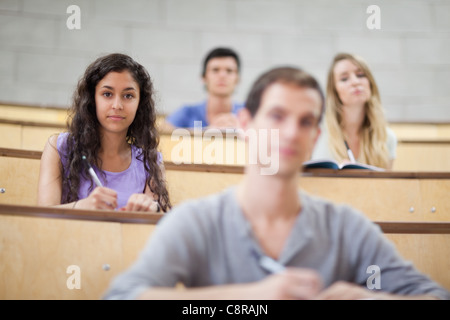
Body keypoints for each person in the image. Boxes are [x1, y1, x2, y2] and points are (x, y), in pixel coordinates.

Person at [103, 66, 449, 300]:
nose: (289, 132)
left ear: (315, 136)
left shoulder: (347, 228)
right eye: (277, 116)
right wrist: (250, 297)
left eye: (305, 121)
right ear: (245, 124)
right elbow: (121, 295)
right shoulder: (198, 221)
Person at [37, 53, 171, 213]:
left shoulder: (150, 160)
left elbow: (161, 219)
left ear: (139, 104)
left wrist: (152, 209)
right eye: (107, 94)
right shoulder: (59, 147)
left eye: (128, 96)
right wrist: (82, 206)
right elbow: (43, 215)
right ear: (93, 100)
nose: (117, 105)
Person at [311, 53, 397, 170]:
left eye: (360, 75)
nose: (355, 82)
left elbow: (386, 186)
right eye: (344, 78)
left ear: (370, 84)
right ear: (335, 91)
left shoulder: (387, 138)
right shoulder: (317, 133)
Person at [162, 47, 243, 130]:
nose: (222, 75)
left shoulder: (251, 113)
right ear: (203, 77)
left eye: (229, 71)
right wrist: (210, 131)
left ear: (238, 79)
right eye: (215, 70)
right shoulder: (187, 113)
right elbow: (160, 136)